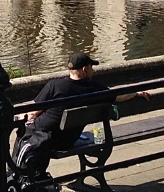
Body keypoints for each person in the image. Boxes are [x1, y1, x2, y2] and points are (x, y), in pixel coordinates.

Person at [12, 53, 149, 179]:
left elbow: (33, 113)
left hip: (47, 138)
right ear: (85, 69)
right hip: (67, 140)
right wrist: (136, 93)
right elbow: (118, 96)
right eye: (91, 68)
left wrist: (18, 116)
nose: (93, 71)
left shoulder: (55, 85)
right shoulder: (94, 88)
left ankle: (17, 175)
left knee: (23, 130)